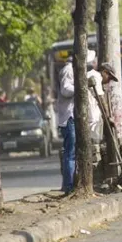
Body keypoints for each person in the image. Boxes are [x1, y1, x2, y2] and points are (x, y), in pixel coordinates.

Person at [57, 57, 76, 194]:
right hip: (69, 118)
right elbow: (65, 90)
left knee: (70, 153)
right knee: (70, 153)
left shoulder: (71, 70)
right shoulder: (68, 70)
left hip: (70, 117)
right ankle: (69, 186)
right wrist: (80, 87)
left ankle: (67, 184)